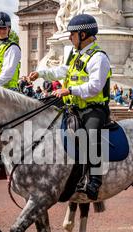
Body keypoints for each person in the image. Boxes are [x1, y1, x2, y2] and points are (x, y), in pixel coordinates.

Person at [28, 13, 111, 200]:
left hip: (93, 109)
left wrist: (70, 90)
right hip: (74, 107)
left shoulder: (99, 57)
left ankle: (94, 181)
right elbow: (61, 71)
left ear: (82, 35)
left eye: (72, 34)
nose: (69, 38)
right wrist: (40, 73)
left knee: (89, 136)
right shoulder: (77, 55)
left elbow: (95, 86)